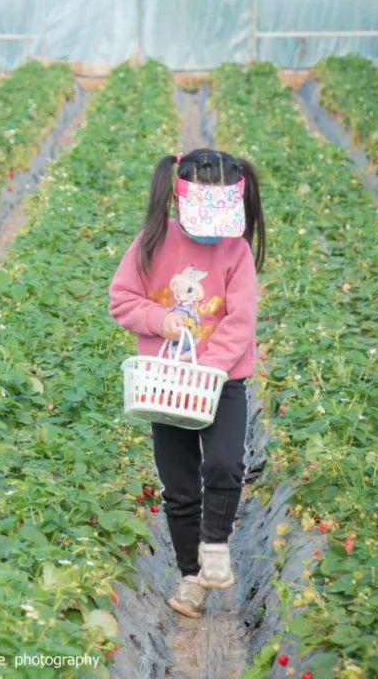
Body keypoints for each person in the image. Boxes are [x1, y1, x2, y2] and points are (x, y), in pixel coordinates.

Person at [107, 148, 265, 617]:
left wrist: (210, 365)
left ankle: (215, 548)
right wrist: (162, 320)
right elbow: (122, 299)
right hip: (164, 383)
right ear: (179, 201)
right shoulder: (153, 242)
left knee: (224, 465)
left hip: (221, 380)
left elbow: (241, 320)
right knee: (179, 487)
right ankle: (190, 578)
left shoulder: (235, 250)